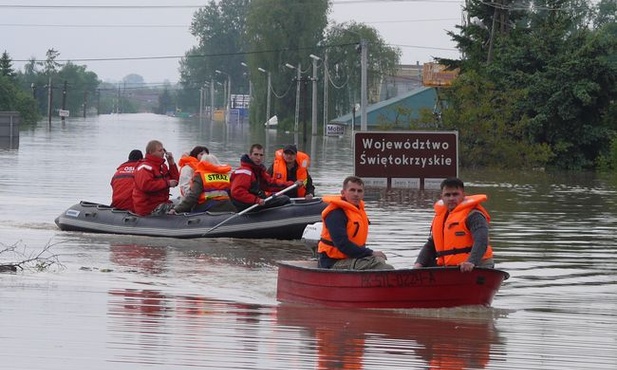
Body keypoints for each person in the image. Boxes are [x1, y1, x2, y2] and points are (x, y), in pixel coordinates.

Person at [414, 177, 494, 272]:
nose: (451, 198)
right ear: (442, 197)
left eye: (455, 194)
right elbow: (431, 244)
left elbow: (481, 240)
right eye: (447, 195)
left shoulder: (474, 215)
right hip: (451, 267)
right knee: (423, 266)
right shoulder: (441, 217)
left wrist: (471, 262)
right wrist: (418, 264)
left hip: (477, 265)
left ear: (463, 195)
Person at [317, 176, 393, 270]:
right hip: (332, 262)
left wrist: (369, 254)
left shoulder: (358, 210)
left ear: (363, 194)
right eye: (352, 190)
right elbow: (342, 244)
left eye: (359, 191)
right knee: (382, 266)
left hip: (351, 258)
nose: (356, 194)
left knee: (380, 260)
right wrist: (370, 253)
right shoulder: (336, 213)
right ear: (343, 193)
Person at [230, 143, 303, 211]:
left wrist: (292, 184)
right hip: (246, 205)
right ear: (250, 155)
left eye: (261, 155)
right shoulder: (245, 172)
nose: (258, 158)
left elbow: (269, 183)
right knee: (284, 199)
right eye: (256, 154)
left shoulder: (257, 171)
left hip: (256, 200)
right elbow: (237, 192)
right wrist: (256, 200)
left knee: (282, 198)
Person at [171, 154, 236, 213]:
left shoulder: (200, 175)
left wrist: (177, 209)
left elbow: (193, 196)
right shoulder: (225, 175)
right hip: (228, 206)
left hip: (209, 207)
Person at [132, 140, 179, 216]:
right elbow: (146, 185)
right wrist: (167, 183)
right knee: (182, 206)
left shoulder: (162, 166)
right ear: (151, 152)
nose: (163, 152)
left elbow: (175, 181)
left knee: (185, 203)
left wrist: (171, 163)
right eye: (160, 151)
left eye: (163, 150)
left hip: (161, 203)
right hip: (149, 207)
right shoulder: (144, 167)